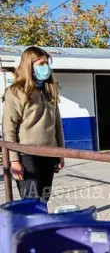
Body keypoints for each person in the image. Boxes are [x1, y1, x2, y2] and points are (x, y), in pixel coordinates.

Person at [2, 46, 65, 203]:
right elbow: (9, 129)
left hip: (49, 153)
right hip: (26, 155)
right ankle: (31, 227)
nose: (46, 67)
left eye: (47, 63)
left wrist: (60, 153)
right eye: (41, 64)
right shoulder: (16, 91)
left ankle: (42, 227)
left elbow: (57, 125)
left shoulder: (50, 90)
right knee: (31, 201)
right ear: (29, 66)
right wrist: (14, 160)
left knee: (44, 199)